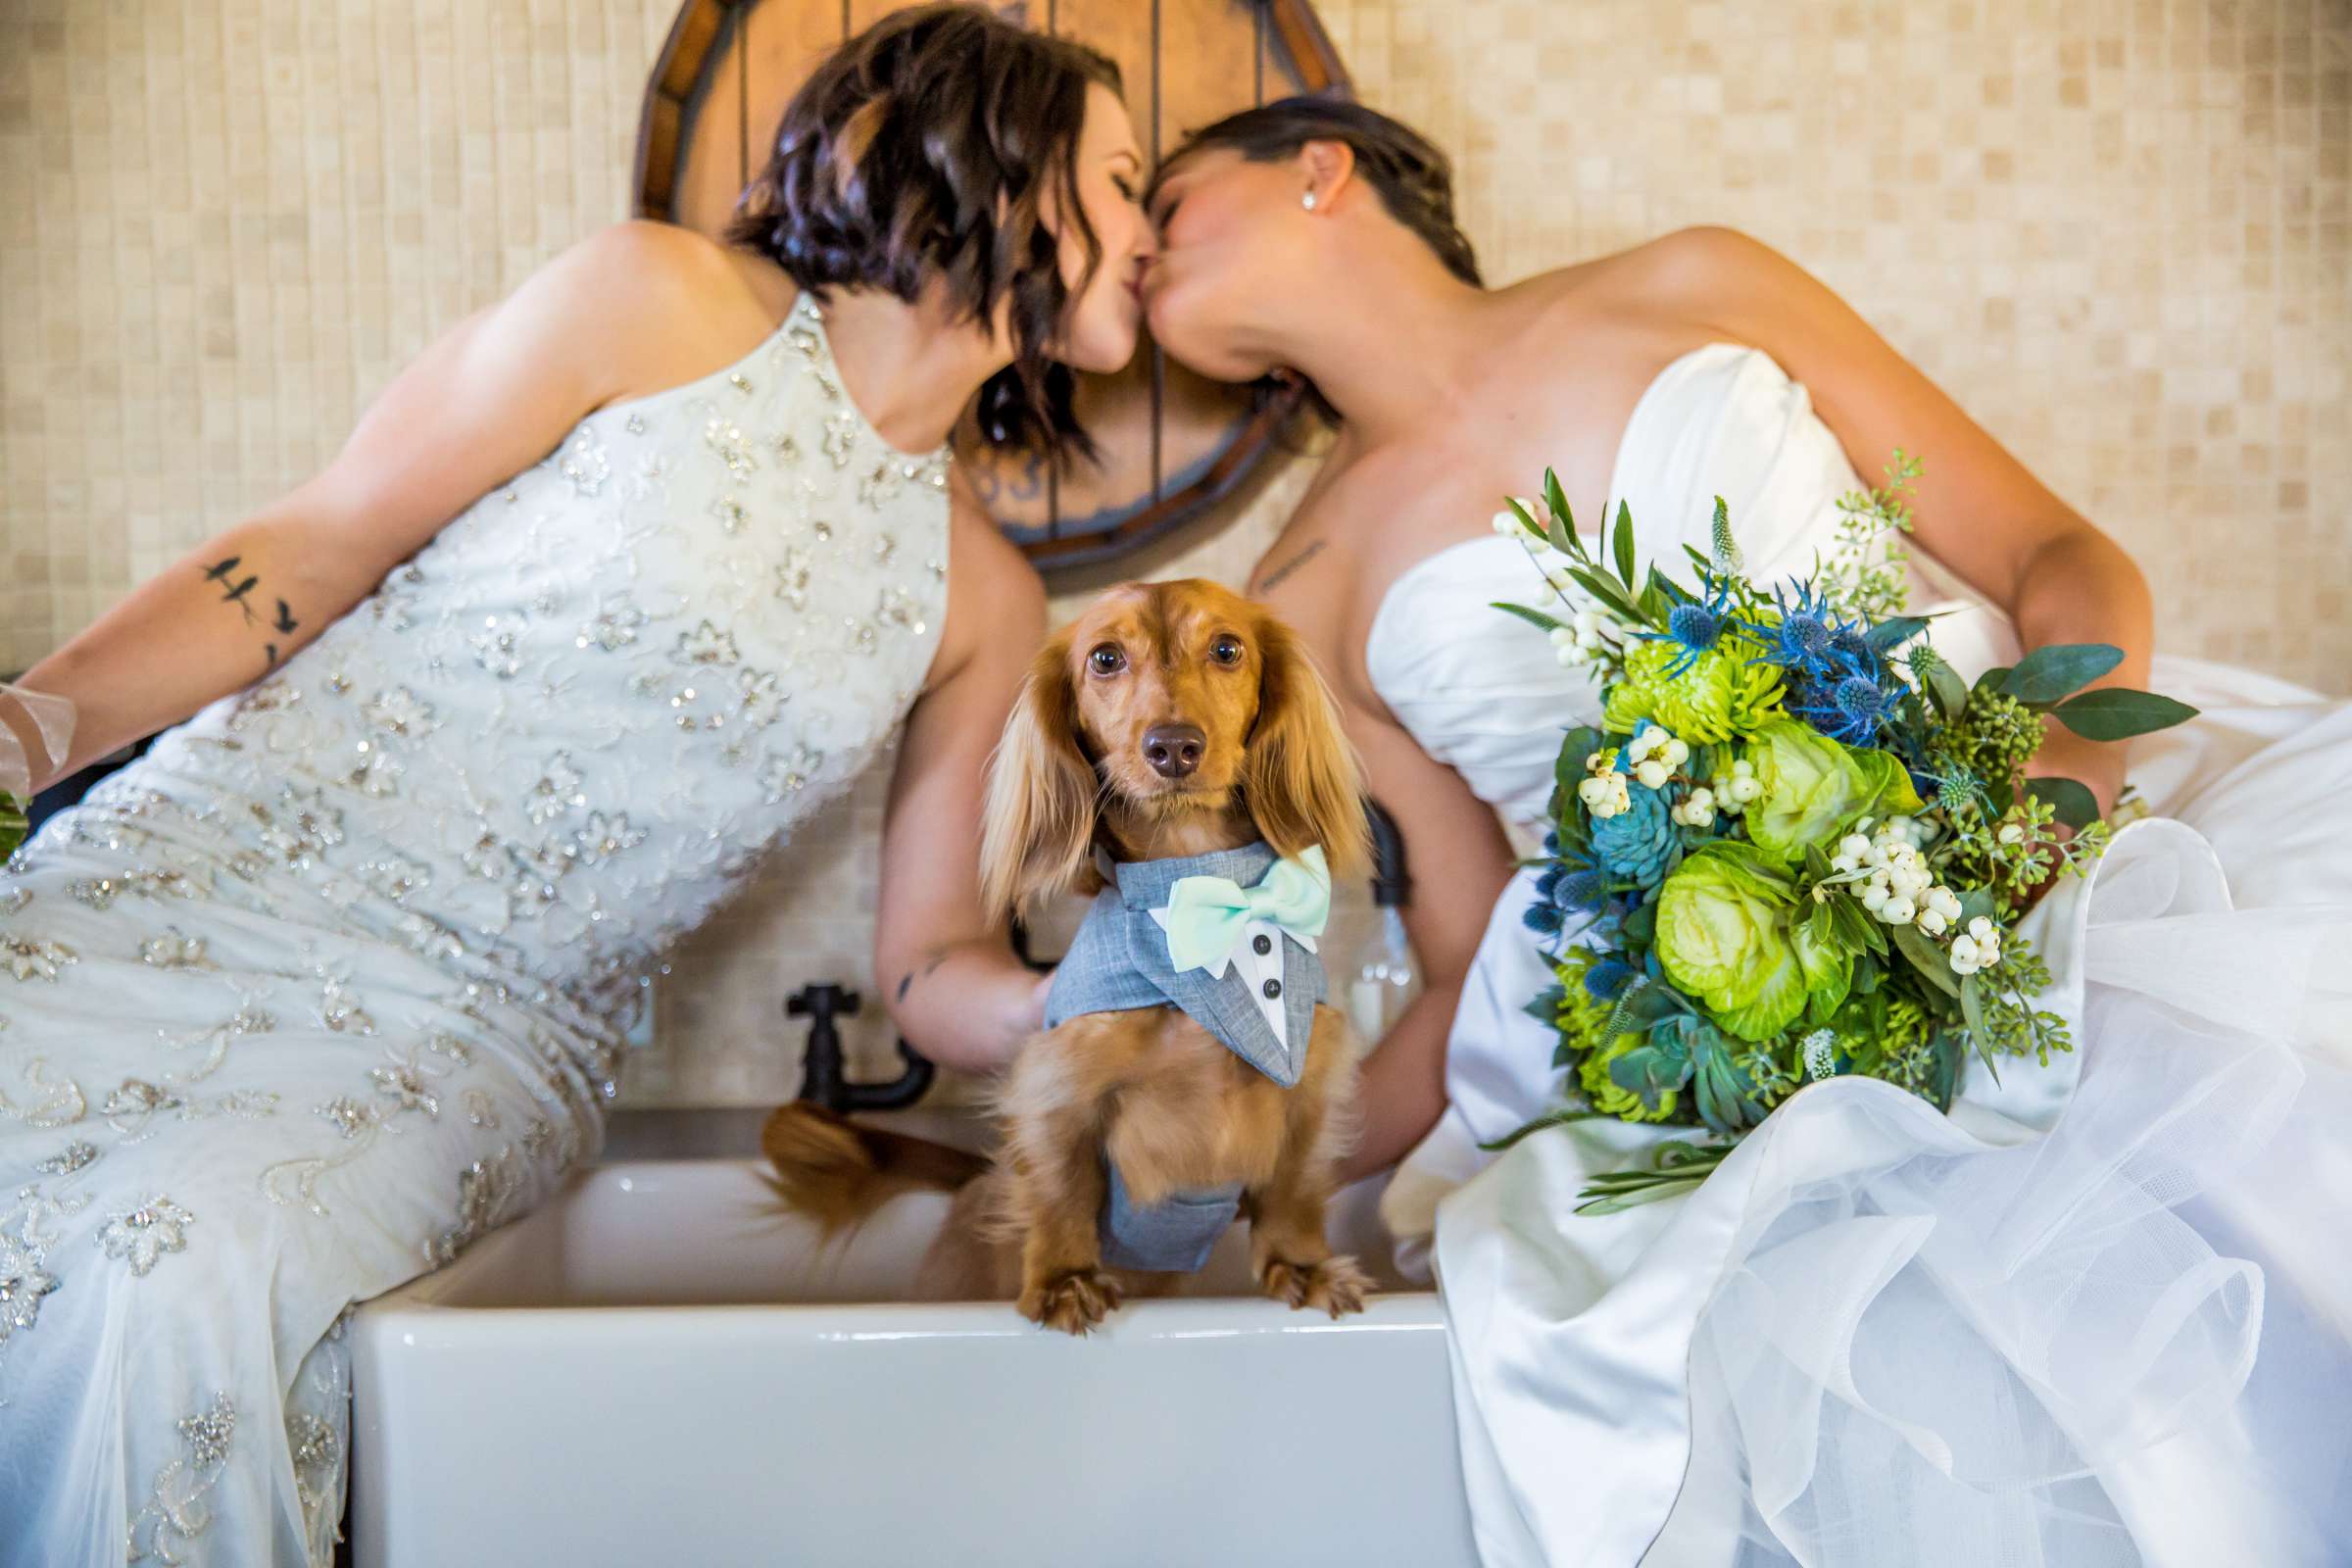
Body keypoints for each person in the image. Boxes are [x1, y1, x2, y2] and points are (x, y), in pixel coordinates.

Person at [0, 6, 1157, 1561]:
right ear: (988, 154)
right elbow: (320, 540)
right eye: (1126, 178)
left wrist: (1073, 1003)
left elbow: (928, 966)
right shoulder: (659, 298)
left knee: (184, 1269)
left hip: (473, 1036)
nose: (1148, 232)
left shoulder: (983, 601)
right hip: (188, 876)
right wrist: (26, 732)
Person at [1139, 96, 2352, 1565]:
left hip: (2051, 865)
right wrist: (1212, 1163)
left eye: (1168, 201)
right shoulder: (1305, 589)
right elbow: (1472, 972)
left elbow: (2059, 560)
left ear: (1319, 165)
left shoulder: (1693, 281)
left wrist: (2022, 851)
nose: (1132, 252)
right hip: (1742, 1066)